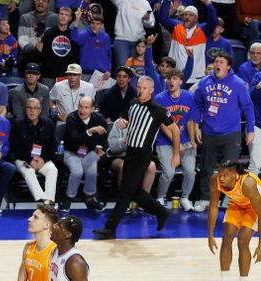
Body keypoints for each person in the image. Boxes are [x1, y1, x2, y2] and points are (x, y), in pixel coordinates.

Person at [94, 77, 179, 239]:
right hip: (130, 151)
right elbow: (125, 119)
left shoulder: (158, 109)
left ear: (151, 90)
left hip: (142, 154)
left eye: (144, 88)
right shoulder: (133, 103)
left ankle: (110, 229)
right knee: (134, 192)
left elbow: (175, 131)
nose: (140, 90)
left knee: (125, 192)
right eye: (139, 87)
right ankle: (161, 212)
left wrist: (175, 154)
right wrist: (124, 123)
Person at [193, 52, 255, 212]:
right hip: (209, 132)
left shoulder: (238, 84)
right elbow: (196, 106)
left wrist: (250, 130)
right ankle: (205, 198)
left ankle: (230, 199)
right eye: (216, 62)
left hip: (231, 133)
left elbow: (248, 108)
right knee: (206, 168)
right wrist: (195, 127)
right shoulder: (204, 83)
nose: (217, 64)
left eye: (221, 62)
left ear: (228, 66)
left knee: (230, 170)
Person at [207, 161, 261, 281]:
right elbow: (213, 207)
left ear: (236, 176)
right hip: (237, 204)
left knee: (243, 240)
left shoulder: (248, 183)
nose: (221, 178)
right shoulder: (215, 180)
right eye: (220, 174)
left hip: (254, 208)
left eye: (225, 175)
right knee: (226, 237)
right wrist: (210, 235)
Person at [155, 68, 198, 210]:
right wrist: (176, 142)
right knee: (169, 172)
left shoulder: (189, 97)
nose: (171, 81)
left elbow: (191, 121)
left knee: (190, 171)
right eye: (169, 78)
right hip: (165, 142)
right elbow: (162, 124)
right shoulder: (160, 98)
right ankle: (160, 197)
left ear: (181, 81)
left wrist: (192, 140)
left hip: (185, 141)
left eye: (174, 78)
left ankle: (185, 198)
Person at [60, 96, 107, 212]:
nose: (82, 110)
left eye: (86, 107)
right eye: (80, 107)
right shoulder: (72, 118)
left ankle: (89, 198)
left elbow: (104, 138)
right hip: (71, 151)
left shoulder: (99, 118)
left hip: (90, 151)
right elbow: (74, 140)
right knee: (77, 172)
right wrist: (90, 131)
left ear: (92, 109)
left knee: (91, 171)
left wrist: (101, 148)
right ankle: (68, 198)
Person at [158, 0, 218, 84]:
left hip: (196, 78)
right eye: (185, 14)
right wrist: (167, 1)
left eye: (191, 15)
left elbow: (214, 21)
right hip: (176, 76)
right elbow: (162, 18)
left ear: (196, 18)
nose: (187, 17)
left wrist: (208, 4)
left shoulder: (203, 30)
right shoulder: (176, 27)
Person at [10, 98, 57, 203]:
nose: (32, 111)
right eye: (29, 108)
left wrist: (43, 159)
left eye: (35, 108)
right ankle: (42, 201)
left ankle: (48, 201)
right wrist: (30, 159)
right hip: (23, 159)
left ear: (40, 110)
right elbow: (15, 148)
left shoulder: (48, 123)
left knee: (53, 170)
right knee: (29, 172)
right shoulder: (18, 123)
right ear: (25, 109)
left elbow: (52, 146)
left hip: (42, 159)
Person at [37, 6, 79, 87]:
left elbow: (75, 56)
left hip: (65, 76)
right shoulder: (48, 33)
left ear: (70, 18)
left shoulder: (72, 35)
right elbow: (43, 55)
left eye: (66, 15)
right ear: (58, 16)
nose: (63, 16)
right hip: (48, 75)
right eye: (61, 14)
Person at [109, 0, 155, 69]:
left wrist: (147, 19)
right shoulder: (122, 1)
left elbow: (151, 24)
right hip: (122, 41)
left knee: (138, 70)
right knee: (122, 69)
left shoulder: (145, 3)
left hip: (139, 42)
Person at [72, 13, 111, 80]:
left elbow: (108, 55)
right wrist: (77, 19)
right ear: (90, 24)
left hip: (101, 74)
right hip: (86, 74)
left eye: (97, 24)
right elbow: (74, 38)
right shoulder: (85, 34)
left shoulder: (106, 37)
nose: (95, 26)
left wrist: (108, 71)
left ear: (102, 25)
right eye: (93, 23)